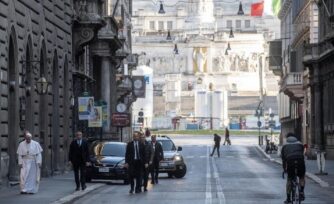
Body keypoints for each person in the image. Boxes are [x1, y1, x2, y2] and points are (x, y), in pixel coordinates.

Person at [281, 133, 306, 203]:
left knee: (289, 179)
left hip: (290, 162)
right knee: (301, 177)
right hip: (300, 161)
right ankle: (301, 191)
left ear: (287, 138)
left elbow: (283, 159)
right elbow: (302, 154)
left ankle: (288, 198)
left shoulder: (284, 145)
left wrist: (284, 169)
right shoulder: (300, 144)